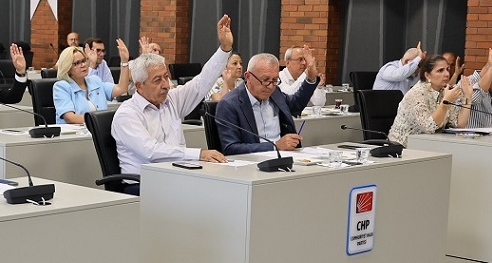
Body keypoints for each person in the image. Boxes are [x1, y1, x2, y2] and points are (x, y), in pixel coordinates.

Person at [111, 15, 234, 178]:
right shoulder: (127, 114)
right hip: (144, 183)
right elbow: (150, 151)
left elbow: (202, 82)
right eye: (157, 80)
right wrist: (198, 154)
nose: (166, 85)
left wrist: (224, 49)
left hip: (177, 177)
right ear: (139, 85)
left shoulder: (172, 99)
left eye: (166, 77)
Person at [215, 50, 320, 154]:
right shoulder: (229, 104)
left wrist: (310, 78)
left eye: (274, 80)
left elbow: (296, 105)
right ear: (248, 77)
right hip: (253, 161)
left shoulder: (275, 93)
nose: (270, 86)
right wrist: (275, 146)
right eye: (265, 80)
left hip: (285, 156)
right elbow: (230, 148)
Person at [387, 55, 473, 145]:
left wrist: (468, 97)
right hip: (403, 147)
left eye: (447, 69)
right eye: (440, 71)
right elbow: (429, 127)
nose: (447, 74)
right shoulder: (416, 93)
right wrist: (445, 102)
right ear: (427, 75)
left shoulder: (444, 92)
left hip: (430, 145)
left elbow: (459, 124)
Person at [52, 45, 114, 124]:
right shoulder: (61, 87)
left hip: (94, 128)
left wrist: (124, 62)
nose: (83, 65)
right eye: (77, 63)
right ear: (68, 68)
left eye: (84, 61)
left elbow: (121, 89)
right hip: (74, 131)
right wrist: (98, 120)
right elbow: (70, 118)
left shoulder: (93, 80)